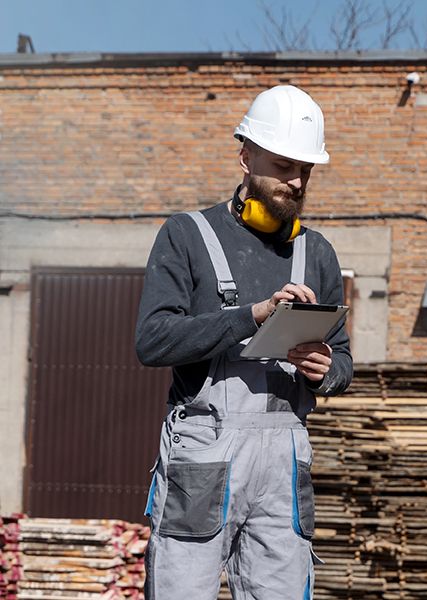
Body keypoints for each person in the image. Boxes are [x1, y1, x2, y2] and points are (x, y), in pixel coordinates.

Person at [134, 84, 352, 599]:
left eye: (306, 170)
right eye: (282, 166)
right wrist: (252, 315)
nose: (296, 182)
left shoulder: (316, 253)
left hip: (284, 457)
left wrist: (328, 370)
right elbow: (152, 341)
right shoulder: (187, 236)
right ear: (245, 156)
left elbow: (343, 361)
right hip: (205, 451)